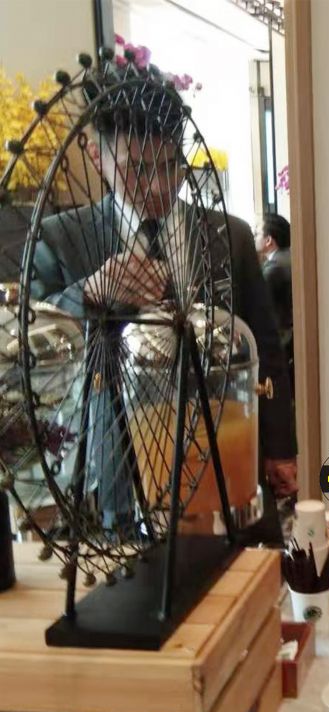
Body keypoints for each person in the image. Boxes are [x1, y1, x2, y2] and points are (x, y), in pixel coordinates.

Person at [30, 78, 298, 532]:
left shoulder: (229, 235)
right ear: (96, 156)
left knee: (247, 570)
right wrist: (89, 293)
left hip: (228, 449)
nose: (157, 185)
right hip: (123, 465)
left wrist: (280, 447)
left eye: (171, 164)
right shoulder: (62, 238)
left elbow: (264, 345)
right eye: (136, 168)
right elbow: (32, 341)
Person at [255, 212, 294, 384]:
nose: (254, 237)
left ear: (269, 240)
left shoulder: (274, 268)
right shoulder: (288, 257)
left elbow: (258, 302)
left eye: (257, 233)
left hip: (282, 341)